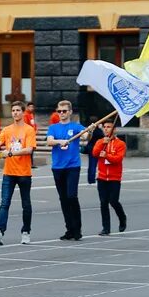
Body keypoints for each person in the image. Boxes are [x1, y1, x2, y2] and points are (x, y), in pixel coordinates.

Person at [0, 100, 35, 245]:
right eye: (13, 110)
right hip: (9, 172)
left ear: (23, 112)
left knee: (25, 204)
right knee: (4, 203)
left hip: (24, 173)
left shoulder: (28, 130)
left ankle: (26, 231)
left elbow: (29, 149)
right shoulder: (7, 129)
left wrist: (11, 154)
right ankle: (0, 231)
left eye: (18, 110)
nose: (15, 113)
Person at [46, 100, 83, 240]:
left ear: (70, 112)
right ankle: (70, 229)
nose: (61, 114)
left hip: (72, 166)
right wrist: (59, 141)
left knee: (72, 196)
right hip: (58, 167)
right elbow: (49, 141)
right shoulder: (53, 128)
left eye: (64, 111)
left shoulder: (76, 127)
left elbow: (85, 136)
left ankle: (77, 229)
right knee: (63, 199)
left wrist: (89, 131)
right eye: (59, 111)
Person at [92, 118, 127, 235]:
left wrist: (107, 156)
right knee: (103, 202)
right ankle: (106, 228)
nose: (106, 129)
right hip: (102, 177)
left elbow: (118, 159)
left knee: (114, 201)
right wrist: (103, 143)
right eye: (105, 127)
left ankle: (122, 217)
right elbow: (94, 153)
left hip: (114, 178)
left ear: (114, 129)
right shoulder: (100, 141)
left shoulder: (120, 143)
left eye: (109, 127)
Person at [84, 120, 105, 185]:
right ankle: (94, 178)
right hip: (96, 148)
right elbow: (103, 137)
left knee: (91, 165)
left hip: (91, 148)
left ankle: (91, 179)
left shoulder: (91, 130)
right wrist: (101, 129)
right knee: (95, 165)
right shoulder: (98, 131)